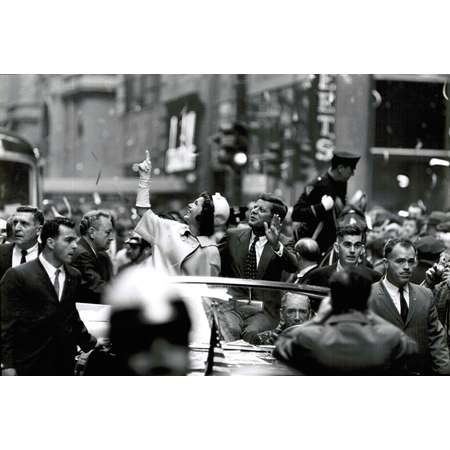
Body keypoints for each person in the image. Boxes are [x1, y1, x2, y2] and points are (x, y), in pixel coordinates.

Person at [274, 268, 418, 375]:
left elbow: (281, 347)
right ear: (367, 300)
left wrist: (319, 319)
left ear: (332, 301)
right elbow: (410, 348)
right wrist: (369, 312)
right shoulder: (389, 338)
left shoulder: (310, 338)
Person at [1, 217, 97, 375]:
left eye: (76, 240)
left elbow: (70, 317)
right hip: (28, 366)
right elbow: (5, 325)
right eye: (69, 240)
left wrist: (92, 343)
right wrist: (8, 365)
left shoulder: (74, 275)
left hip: (63, 365)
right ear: (51, 242)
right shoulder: (18, 275)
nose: (75, 246)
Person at [134, 150, 228, 277]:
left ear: (205, 215)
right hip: (158, 295)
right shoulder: (170, 228)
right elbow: (143, 212)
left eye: (195, 204)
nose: (189, 205)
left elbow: (206, 290)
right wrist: (144, 178)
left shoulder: (211, 251)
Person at [219, 194, 298, 342]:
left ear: (275, 219)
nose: (254, 211)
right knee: (229, 330)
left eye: (261, 210)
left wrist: (275, 245)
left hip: (264, 311)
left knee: (253, 334)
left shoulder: (284, 242)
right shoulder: (232, 236)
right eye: (255, 207)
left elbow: (293, 266)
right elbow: (215, 261)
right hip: (232, 307)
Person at [369, 238, 450, 375]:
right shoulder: (369, 296)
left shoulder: (425, 294)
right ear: (386, 263)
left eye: (411, 261)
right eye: (400, 261)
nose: (406, 267)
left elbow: (437, 340)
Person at [291, 151, 360, 255]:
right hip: (313, 247)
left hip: (333, 245)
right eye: (351, 169)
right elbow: (296, 214)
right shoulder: (318, 185)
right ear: (341, 168)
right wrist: (321, 207)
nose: (353, 173)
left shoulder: (341, 184)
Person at [303, 224, 382, 291]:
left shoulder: (375, 279)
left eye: (357, 245)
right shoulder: (317, 276)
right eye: (347, 245)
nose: (352, 250)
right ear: (337, 248)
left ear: (362, 249)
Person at [71, 210, 114, 303]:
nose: (111, 238)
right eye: (108, 232)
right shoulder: (82, 254)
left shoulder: (99, 254)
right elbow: (96, 286)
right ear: (92, 233)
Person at [0, 206, 44, 281]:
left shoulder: (47, 254)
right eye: (15, 223)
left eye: (24, 223)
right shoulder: (1, 251)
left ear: (38, 230)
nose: (17, 228)